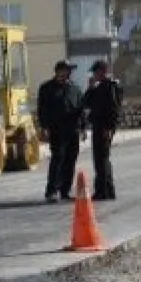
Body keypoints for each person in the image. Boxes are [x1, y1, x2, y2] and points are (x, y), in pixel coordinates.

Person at [36, 60, 87, 203]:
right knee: (58, 158)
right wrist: (44, 127)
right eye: (67, 70)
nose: (69, 73)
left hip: (73, 129)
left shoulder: (75, 88)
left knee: (70, 160)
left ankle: (65, 190)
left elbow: (81, 109)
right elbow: (42, 110)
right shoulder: (47, 88)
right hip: (57, 129)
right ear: (59, 71)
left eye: (70, 70)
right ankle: (52, 190)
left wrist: (83, 128)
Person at [83, 60, 123, 201]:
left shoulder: (110, 86)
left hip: (104, 127)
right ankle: (106, 190)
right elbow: (86, 102)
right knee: (101, 159)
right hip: (99, 126)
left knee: (101, 159)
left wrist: (109, 127)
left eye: (96, 72)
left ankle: (104, 191)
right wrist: (91, 87)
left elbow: (114, 109)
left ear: (103, 71)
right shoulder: (100, 87)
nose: (95, 75)